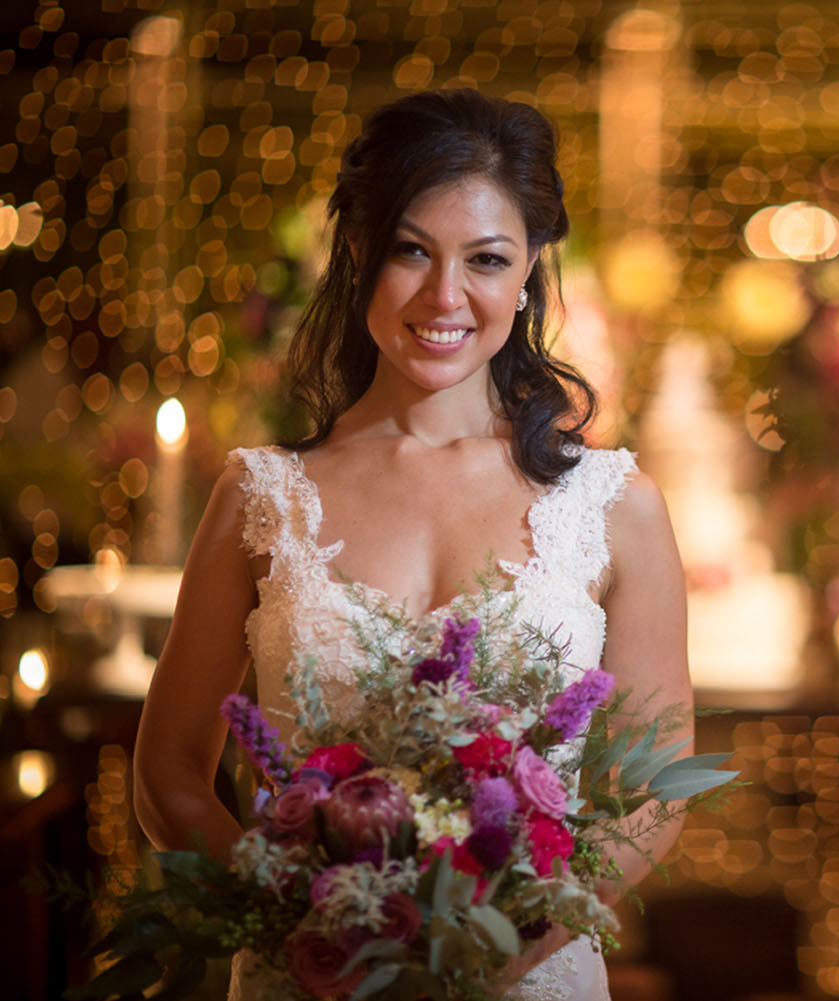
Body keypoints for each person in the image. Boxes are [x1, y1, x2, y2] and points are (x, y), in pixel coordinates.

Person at [132, 89, 690, 1001]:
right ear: (357, 252)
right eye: (410, 251)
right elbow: (167, 775)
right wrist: (303, 921)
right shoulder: (261, 495)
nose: (445, 297)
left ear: (529, 273)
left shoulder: (614, 504)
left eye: (486, 260)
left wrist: (496, 950)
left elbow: (654, 790)